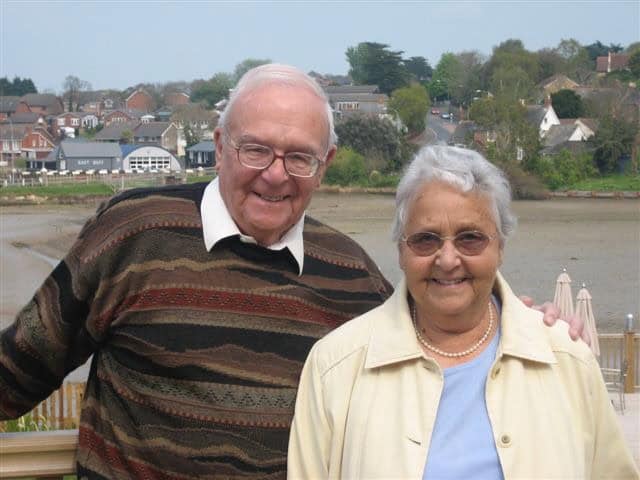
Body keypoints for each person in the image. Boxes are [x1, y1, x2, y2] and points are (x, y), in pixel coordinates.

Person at [1, 65, 575, 479]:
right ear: (221, 145)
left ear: (323, 165)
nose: (276, 175)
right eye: (256, 151)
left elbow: (440, 331)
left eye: (298, 157)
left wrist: (514, 321)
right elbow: (17, 370)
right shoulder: (133, 233)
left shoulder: (350, 272)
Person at [288, 146, 638, 479]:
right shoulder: (335, 367)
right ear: (401, 250)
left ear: (500, 246)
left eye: (470, 238)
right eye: (426, 239)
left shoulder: (567, 360)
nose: (448, 259)